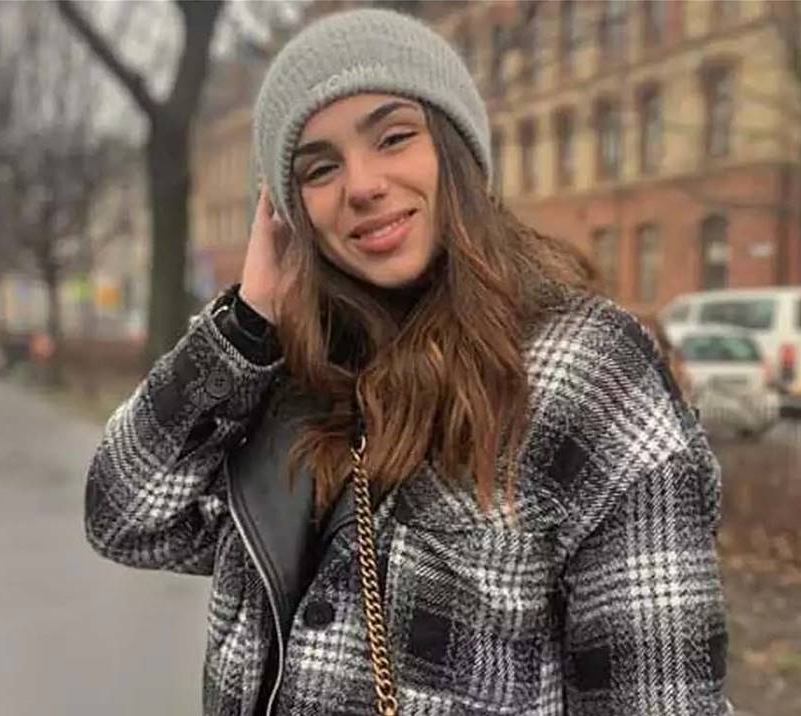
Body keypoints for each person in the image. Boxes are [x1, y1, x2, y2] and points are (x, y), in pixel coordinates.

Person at [84, 9, 729, 715]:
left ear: (454, 150)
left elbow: (659, 697)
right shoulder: (287, 378)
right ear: (289, 213)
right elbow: (125, 517)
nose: (362, 185)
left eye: (393, 137)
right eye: (320, 168)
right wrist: (249, 316)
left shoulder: (588, 376)